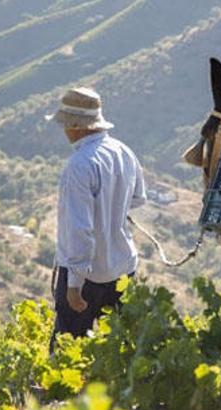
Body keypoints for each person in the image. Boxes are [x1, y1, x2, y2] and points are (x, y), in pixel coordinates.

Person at [45, 87, 146, 352]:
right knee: (120, 351)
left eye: (66, 124)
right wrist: (112, 211)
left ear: (77, 125)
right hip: (123, 267)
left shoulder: (79, 165)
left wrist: (74, 285)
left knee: (68, 354)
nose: (64, 130)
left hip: (88, 275)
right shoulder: (124, 152)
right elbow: (138, 198)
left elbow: (80, 230)